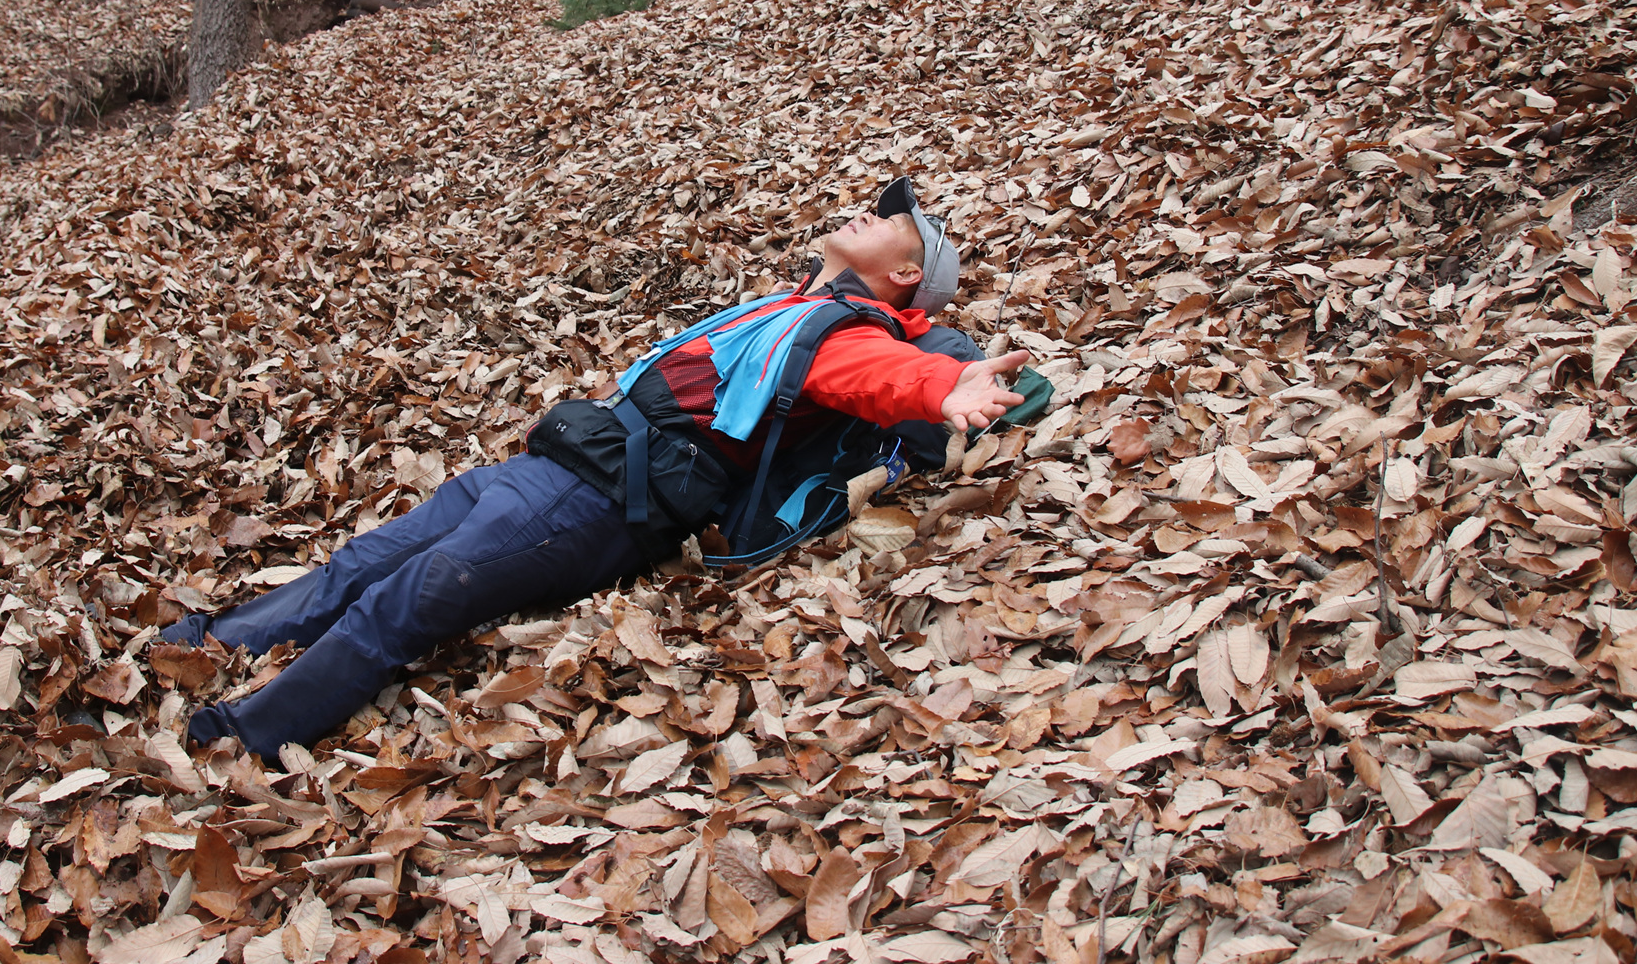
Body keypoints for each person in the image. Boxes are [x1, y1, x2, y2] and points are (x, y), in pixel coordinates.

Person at [162, 177, 1029, 759]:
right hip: (566, 459)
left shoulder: (846, 334)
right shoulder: (800, 305)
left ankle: (245, 731)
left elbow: (880, 378)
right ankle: (216, 641)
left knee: (407, 601)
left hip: (600, 499)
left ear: (906, 272)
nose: (864, 215)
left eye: (885, 222)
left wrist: (945, 388)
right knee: (363, 562)